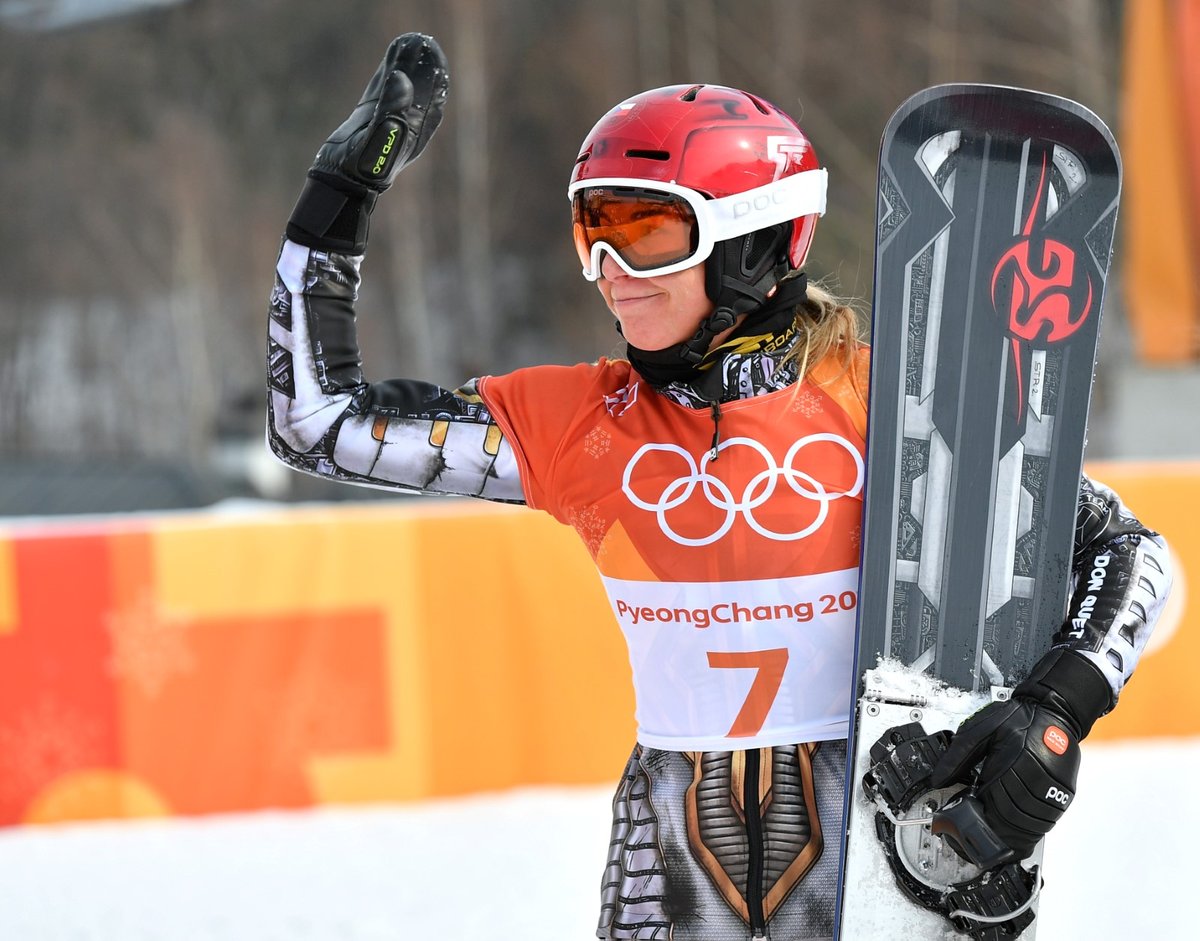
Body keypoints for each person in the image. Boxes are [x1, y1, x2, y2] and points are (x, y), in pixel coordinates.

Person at [266, 34, 1173, 940]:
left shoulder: (893, 400)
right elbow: (317, 425)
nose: (613, 274)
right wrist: (339, 197)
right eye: (595, 233)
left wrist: (1053, 710)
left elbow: (1131, 554)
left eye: (648, 233)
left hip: (885, 846)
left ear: (754, 238)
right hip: (670, 865)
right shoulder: (581, 422)